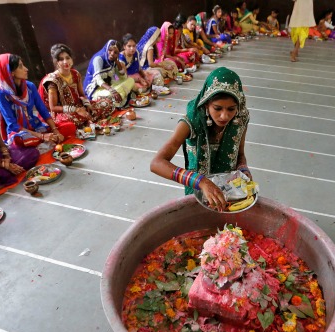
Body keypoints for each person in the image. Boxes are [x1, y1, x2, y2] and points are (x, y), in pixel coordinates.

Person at [150, 67, 251, 211]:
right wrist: (201, 182)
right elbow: (157, 163)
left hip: (229, 193)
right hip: (197, 192)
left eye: (231, 109)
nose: (224, 116)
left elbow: (240, 154)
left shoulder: (240, 119)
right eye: (217, 108)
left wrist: (243, 170)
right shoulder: (191, 122)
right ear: (206, 103)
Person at [39, 43, 118, 131]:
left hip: (79, 106)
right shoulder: (52, 81)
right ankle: (88, 120)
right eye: (61, 59)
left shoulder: (75, 74)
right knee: (70, 122)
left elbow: (81, 94)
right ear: (57, 62)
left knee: (107, 102)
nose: (65, 62)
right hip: (64, 113)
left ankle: (87, 120)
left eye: (67, 58)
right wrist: (76, 110)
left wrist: (87, 105)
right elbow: (53, 107)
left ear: (72, 59)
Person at [0, 53, 64, 149]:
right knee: (20, 141)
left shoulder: (29, 86)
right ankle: (39, 142)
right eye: (21, 66)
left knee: (67, 127)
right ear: (11, 72)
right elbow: (13, 125)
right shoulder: (1, 94)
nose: (26, 69)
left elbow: (43, 110)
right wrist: (42, 136)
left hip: (35, 125)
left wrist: (55, 130)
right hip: (19, 132)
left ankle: (40, 142)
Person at [83, 40, 135, 109]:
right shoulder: (98, 59)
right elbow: (98, 80)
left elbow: (121, 77)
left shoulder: (113, 61)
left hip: (108, 86)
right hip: (95, 89)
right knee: (110, 94)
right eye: (110, 50)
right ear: (106, 49)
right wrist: (113, 91)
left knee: (131, 80)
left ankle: (118, 99)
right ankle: (121, 97)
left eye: (115, 52)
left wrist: (117, 62)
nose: (112, 53)